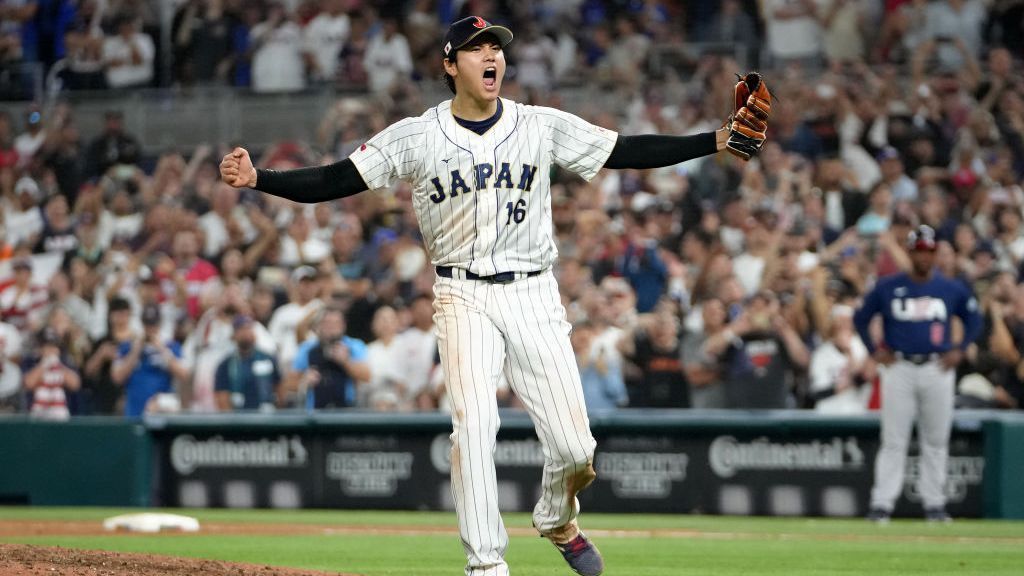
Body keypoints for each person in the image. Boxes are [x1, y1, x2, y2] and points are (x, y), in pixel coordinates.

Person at [221, 15, 765, 576]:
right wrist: (261, 178)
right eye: (477, 49)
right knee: (474, 427)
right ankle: (486, 566)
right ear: (450, 65)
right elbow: (335, 179)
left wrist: (716, 139)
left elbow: (625, 149)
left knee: (577, 449)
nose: (492, 57)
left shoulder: (538, 125)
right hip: (461, 295)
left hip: (533, 292)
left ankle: (557, 519)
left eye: (497, 49)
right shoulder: (417, 136)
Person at [854, 225, 982, 523]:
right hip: (899, 366)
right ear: (910, 252)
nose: (924, 257)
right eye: (919, 251)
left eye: (929, 251)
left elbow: (974, 318)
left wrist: (960, 348)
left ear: (935, 253)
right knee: (893, 439)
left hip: (937, 366)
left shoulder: (950, 288)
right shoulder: (888, 286)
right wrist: (875, 350)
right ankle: (882, 505)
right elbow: (861, 318)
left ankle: (935, 505)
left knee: (936, 439)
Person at [214, 315, 281, 412]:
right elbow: (222, 397)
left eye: (249, 328)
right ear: (234, 335)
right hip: (238, 418)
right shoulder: (226, 364)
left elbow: (279, 388)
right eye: (241, 329)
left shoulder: (268, 359)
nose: (245, 333)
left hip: (266, 416)